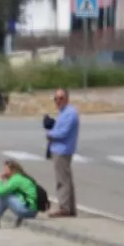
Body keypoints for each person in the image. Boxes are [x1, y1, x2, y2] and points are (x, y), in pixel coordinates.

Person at [44, 89, 80, 217]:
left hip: (62, 150)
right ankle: (70, 208)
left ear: (67, 99)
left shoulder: (70, 113)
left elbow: (64, 132)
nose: (58, 101)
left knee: (62, 180)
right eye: (56, 98)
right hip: (59, 148)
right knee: (66, 179)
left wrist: (50, 134)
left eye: (61, 98)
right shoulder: (63, 113)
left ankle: (64, 207)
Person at [0, 159, 39, 229]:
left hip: (27, 210)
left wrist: (0, 180)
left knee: (3, 196)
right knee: (2, 197)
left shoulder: (16, 179)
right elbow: (12, 192)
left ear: (12, 170)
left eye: (6, 169)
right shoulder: (20, 177)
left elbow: (0, 191)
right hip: (32, 210)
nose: (4, 171)